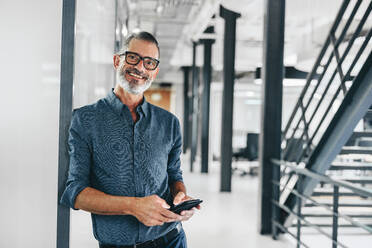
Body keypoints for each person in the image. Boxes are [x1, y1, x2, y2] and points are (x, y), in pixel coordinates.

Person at [60, 31, 199, 248]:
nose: (140, 68)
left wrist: (180, 195)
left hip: (171, 240)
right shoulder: (85, 119)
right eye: (133, 57)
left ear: (155, 71)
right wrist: (132, 206)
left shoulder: (169, 123)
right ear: (117, 60)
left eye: (149, 62)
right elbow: (76, 193)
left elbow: (173, 175)